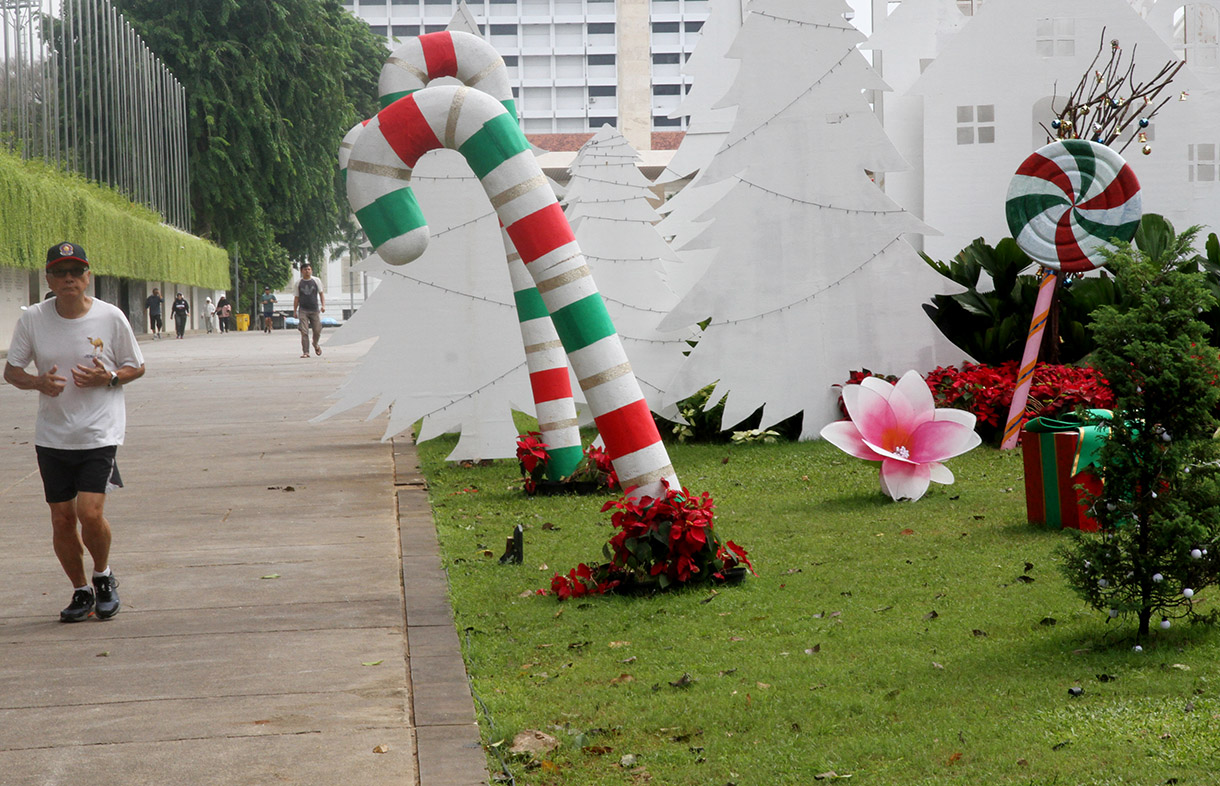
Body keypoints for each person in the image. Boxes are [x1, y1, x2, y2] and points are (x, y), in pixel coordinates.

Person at [3, 242, 146, 622]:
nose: (69, 278)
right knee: (62, 519)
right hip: (52, 435)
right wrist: (37, 383)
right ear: (48, 278)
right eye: (60, 272)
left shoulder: (111, 317)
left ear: (87, 277)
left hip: (99, 432)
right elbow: (12, 371)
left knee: (89, 512)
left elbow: (136, 366)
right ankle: (81, 590)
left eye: (76, 272)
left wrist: (110, 377)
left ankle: (103, 576)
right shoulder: (33, 319)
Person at [293, 262, 325, 358]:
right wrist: (294, 311)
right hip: (303, 310)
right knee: (304, 331)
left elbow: (321, 294)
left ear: (311, 270)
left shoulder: (316, 281)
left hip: (314, 309)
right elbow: (296, 298)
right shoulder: (298, 283)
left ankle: (315, 344)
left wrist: (323, 305)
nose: (307, 271)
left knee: (317, 330)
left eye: (309, 269)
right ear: (302, 271)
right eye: (305, 270)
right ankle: (306, 352)